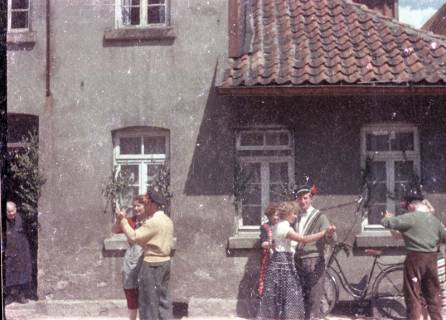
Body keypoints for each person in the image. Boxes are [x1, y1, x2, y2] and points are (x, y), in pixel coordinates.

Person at [256, 201, 336, 320]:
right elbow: (303, 239)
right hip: (283, 264)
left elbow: (274, 244)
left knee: (282, 297)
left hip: (281, 262)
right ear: (287, 213)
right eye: (294, 213)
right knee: (289, 296)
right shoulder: (284, 227)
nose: (295, 216)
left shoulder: (280, 225)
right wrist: (324, 232)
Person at [381, 187, 446, 320]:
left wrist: (387, 218)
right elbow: (444, 236)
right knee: (433, 296)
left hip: (415, 259)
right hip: (432, 259)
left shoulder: (410, 218)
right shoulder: (434, 220)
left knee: (413, 295)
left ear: (411, 205)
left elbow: (387, 223)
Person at [116, 190, 174, 320]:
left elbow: (133, 236)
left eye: (146, 204)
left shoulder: (153, 222)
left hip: (152, 265)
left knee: (148, 302)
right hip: (165, 262)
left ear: (153, 204)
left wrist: (123, 220)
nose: (145, 206)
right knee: (162, 301)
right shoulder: (168, 221)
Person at [293, 182, 337, 320]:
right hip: (298, 260)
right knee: (301, 298)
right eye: (300, 198)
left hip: (313, 260)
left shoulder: (320, 217)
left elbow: (331, 238)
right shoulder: (297, 217)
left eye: (305, 198)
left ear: (311, 198)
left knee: (314, 299)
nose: (303, 201)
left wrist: (329, 234)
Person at [112, 195, 146, 320]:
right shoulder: (131, 221)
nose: (136, 208)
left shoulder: (151, 222)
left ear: (146, 206)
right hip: (131, 263)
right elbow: (115, 230)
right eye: (135, 205)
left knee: (144, 296)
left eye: (139, 205)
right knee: (131, 295)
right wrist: (119, 219)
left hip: (144, 262)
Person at [4, 201, 32, 304]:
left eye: (13, 211)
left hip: (21, 250)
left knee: (22, 273)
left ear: (16, 209)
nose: (11, 213)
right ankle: (10, 296)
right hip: (9, 250)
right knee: (9, 273)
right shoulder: (3, 221)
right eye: (9, 212)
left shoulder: (22, 219)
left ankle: (20, 295)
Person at [258, 202, 279, 297]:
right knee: (268, 281)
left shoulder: (283, 226)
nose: (276, 217)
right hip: (268, 259)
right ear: (269, 216)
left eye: (278, 215)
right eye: (274, 215)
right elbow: (263, 243)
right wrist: (272, 245)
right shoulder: (265, 227)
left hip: (281, 258)